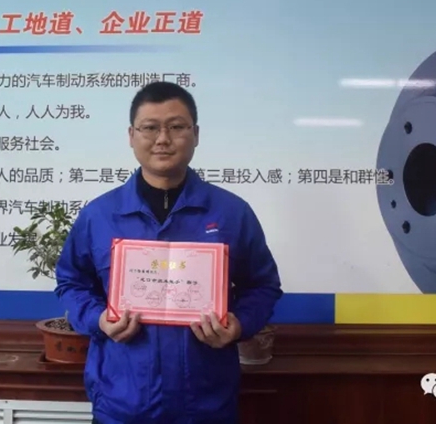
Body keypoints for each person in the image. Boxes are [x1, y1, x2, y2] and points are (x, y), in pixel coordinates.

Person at [55, 81, 283, 424]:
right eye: (150, 127)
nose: (163, 139)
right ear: (131, 135)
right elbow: (71, 282)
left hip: (206, 406)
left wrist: (238, 325)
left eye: (176, 127)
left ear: (196, 134)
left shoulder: (231, 213)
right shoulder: (99, 215)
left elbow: (263, 286)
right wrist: (98, 319)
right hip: (122, 404)